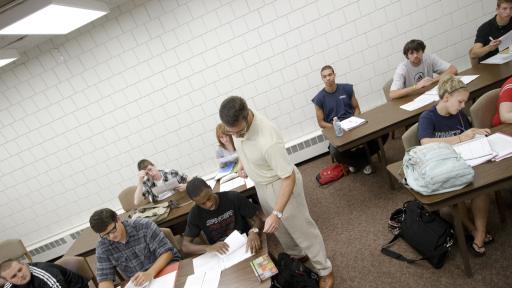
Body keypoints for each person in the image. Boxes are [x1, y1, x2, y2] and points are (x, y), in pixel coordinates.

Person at [219, 96, 334, 288]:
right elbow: (242, 145)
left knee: (303, 230)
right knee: (280, 230)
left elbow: (288, 177)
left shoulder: (268, 139)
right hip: (262, 184)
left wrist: (277, 212)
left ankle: (325, 270)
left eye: (237, 131)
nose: (235, 136)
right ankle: (298, 255)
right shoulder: (237, 123)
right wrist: (243, 163)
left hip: (281, 182)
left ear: (247, 117)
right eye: (231, 132)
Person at [417, 75, 493, 256]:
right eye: (460, 102)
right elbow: (425, 142)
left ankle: (479, 232)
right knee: (452, 201)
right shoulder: (428, 117)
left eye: (464, 102)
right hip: (444, 168)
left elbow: (466, 133)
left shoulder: (458, 114)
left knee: (481, 187)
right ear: (446, 98)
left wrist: (475, 133)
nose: (462, 106)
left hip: (465, 160)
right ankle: (474, 231)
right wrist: (459, 138)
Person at [312, 65, 386, 174]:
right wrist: (337, 127)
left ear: (334, 75)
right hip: (337, 130)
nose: (328, 78)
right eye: (324, 76)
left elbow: (356, 108)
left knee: (383, 133)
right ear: (322, 79)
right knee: (335, 152)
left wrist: (354, 121)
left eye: (330, 75)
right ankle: (364, 162)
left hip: (353, 125)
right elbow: (321, 123)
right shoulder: (319, 98)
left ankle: (354, 161)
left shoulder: (346, 88)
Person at [89, 208, 181, 288]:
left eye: (113, 230)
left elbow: (167, 253)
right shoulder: (103, 246)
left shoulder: (143, 226)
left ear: (118, 219)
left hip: (167, 268)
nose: (111, 237)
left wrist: (150, 273)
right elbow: (104, 280)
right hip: (141, 283)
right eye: (105, 235)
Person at [181, 177, 264, 256]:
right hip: (222, 252)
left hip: (245, 242)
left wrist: (253, 231)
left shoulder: (232, 197)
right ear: (194, 201)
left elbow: (258, 219)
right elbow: (185, 246)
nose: (209, 204)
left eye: (209, 198)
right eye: (202, 204)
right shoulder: (195, 213)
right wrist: (208, 248)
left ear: (210, 188)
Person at [389, 39, 457, 100]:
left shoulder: (429, 58)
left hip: (431, 95)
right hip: (412, 99)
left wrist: (432, 81)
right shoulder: (402, 68)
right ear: (407, 56)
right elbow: (392, 94)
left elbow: (453, 69)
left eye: (418, 51)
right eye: (411, 53)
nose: (415, 55)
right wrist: (416, 86)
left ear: (422, 52)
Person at [0, 259, 87, 288]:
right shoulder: (9, 286)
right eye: (14, 276)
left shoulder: (45, 273)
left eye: (20, 270)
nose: (21, 275)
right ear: (8, 280)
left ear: (24, 264)